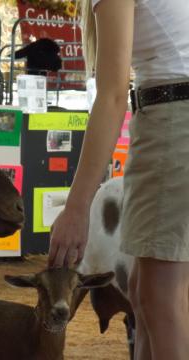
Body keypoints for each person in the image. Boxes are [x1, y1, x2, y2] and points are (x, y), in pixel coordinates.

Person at [48, 0, 189, 358]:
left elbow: (112, 96)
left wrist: (77, 208)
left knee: (160, 296)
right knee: (145, 292)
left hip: (173, 119)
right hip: (165, 114)